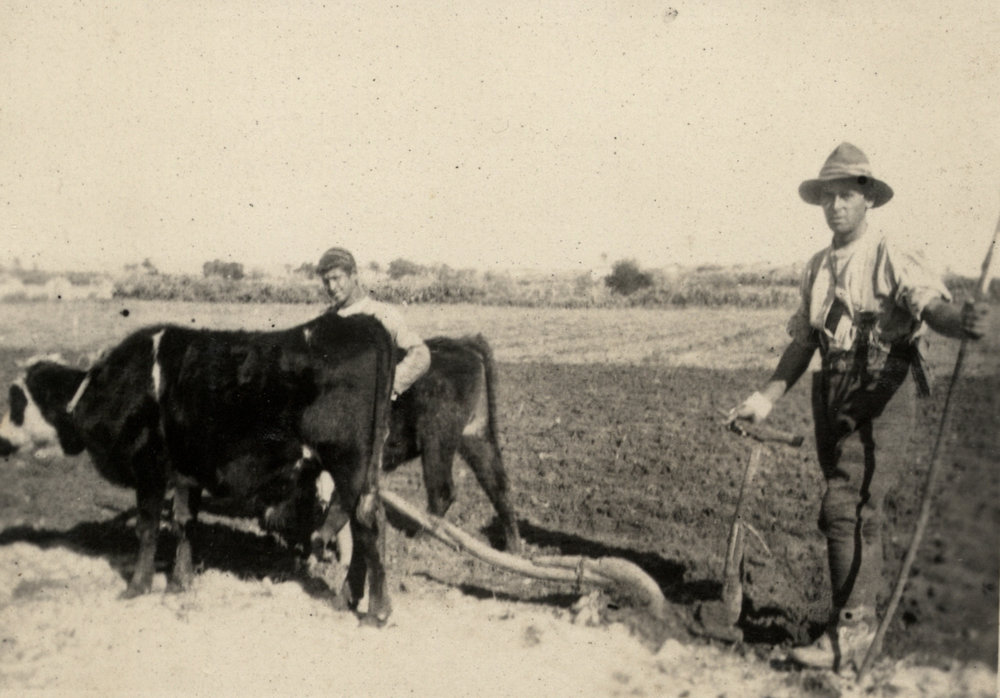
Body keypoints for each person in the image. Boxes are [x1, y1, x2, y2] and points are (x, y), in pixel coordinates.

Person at [728, 143, 989, 672]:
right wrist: (765, 399)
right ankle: (861, 625)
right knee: (859, 517)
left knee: (842, 507)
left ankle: (850, 634)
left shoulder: (890, 252)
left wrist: (960, 322)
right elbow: (804, 343)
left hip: (883, 399)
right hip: (834, 399)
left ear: (868, 199)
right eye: (828, 195)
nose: (836, 205)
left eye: (847, 194)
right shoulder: (817, 268)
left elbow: (929, 306)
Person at [315, 246, 431, 400]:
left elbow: (420, 354)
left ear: (354, 275)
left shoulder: (381, 314)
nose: (331, 287)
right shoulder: (323, 319)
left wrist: (389, 386)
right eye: (326, 281)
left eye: (336, 278)